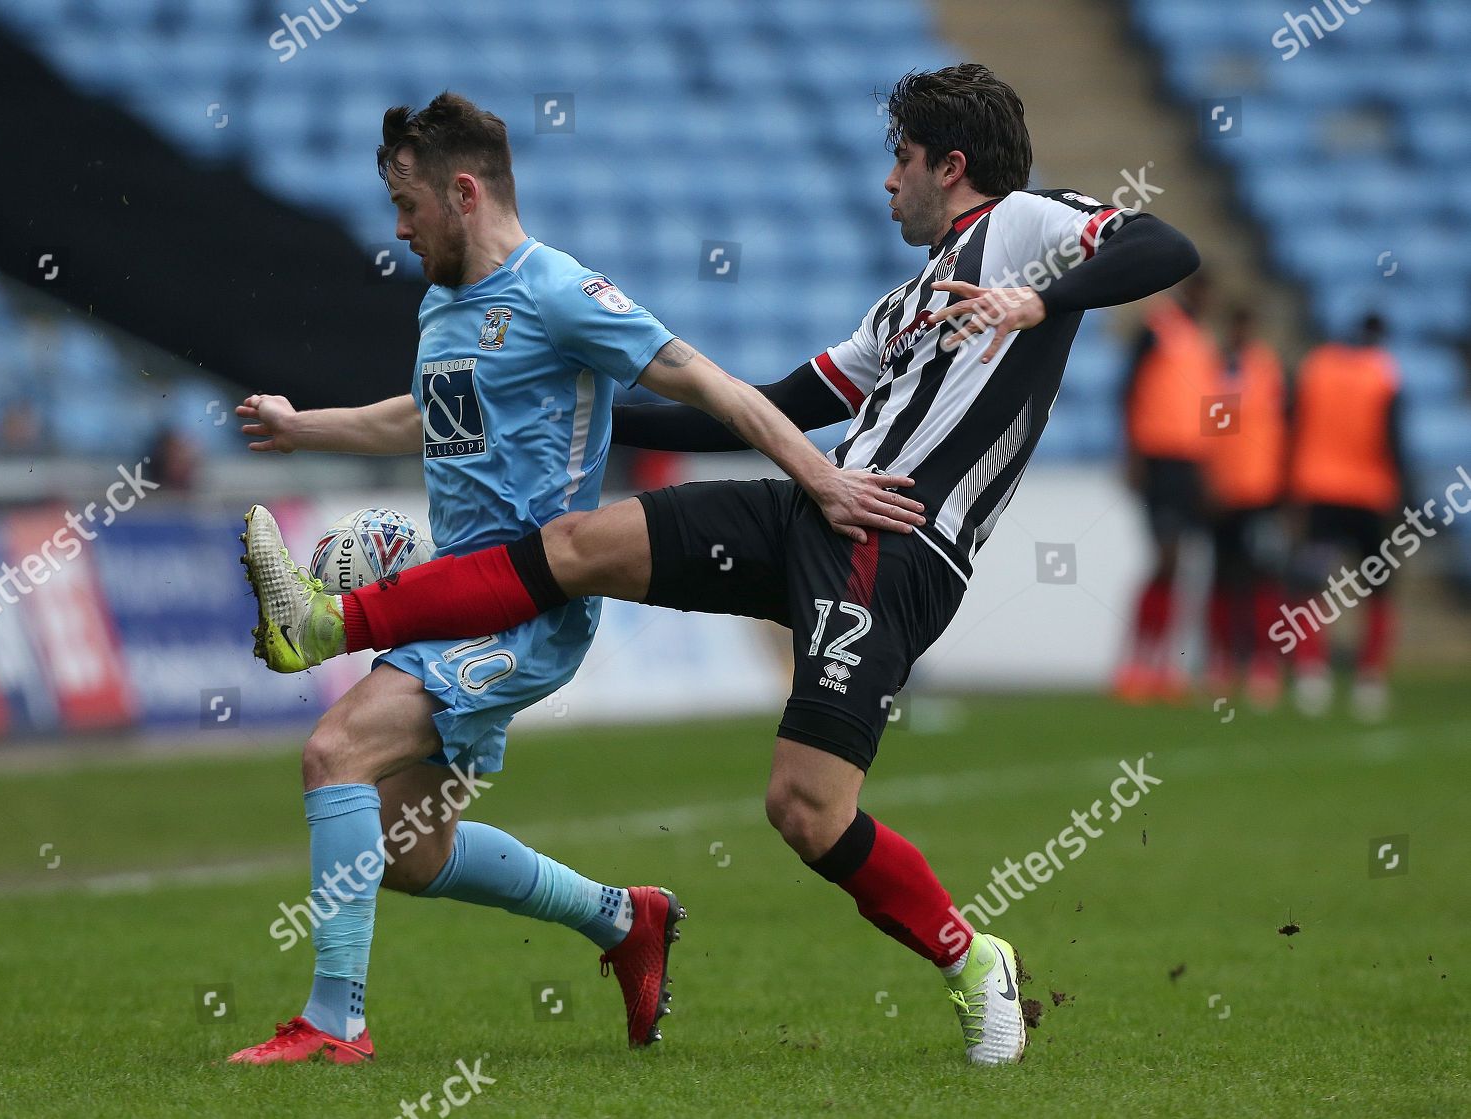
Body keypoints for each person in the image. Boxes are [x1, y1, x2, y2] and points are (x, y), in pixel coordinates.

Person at [241, 64, 1200, 1065]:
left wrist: (1039, 305)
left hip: (894, 540)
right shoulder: (908, 302)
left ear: (950, 166)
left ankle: (973, 958)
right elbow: (781, 397)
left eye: (901, 161)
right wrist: (575, 389)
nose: (888, 183)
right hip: (817, 502)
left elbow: (1164, 246)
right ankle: (333, 623)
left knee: (805, 810)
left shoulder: (1027, 228)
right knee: (575, 545)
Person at [229, 93, 916, 1065]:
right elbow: (428, 415)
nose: (397, 226)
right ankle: (622, 918)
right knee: (407, 850)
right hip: (450, 594)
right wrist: (309, 427)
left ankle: (334, 1023)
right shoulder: (447, 302)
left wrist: (821, 477)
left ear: (463, 192)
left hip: (524, 609)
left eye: (407, 203)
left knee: (332, 750)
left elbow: (710, 384)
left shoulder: (558, 293)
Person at [1284, 312, 1407, 720]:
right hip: (1368, 491)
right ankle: (1369, 679)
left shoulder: (1316, 367)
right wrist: (1402, 490)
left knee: (1312, 583)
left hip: (1317, 488)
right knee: (1378, 586)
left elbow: (1293, 425)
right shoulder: (1383, 373)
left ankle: (1310, 674)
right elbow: (1392, 438)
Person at [1114, 272, 1222, 703]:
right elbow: (1129, 389)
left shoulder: (1203, 341)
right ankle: (1137, 662)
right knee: (1165, 557)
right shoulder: (1158, 328)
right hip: (1158, 457)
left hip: (1190, 461)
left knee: (1180, 563)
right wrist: (1134, 453)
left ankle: (1162, 666)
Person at [1202, 305, 1288, 708]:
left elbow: (1283, 431)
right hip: (1221, 494)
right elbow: (1206, 433)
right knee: (1222, 578)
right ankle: (1220, 662)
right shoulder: (1213, 368)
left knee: (1261, 580)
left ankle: (1262, 663)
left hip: (1260, 493)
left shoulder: (1269, 371)